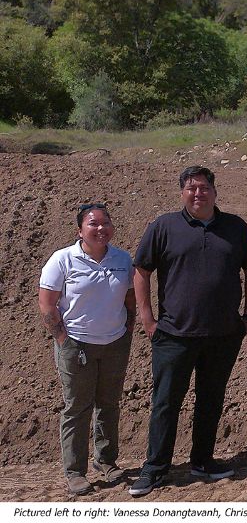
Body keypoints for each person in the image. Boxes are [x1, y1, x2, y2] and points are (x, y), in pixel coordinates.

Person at [130, 166, 247, 497]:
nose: (198, 193)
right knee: (165, 402)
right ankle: (155, 468)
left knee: (211, 399)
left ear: (215, 191)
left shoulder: (235, 227)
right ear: (182, 193)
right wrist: (147, 319)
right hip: (174, 335)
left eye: (204, 187)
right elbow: (141, 271)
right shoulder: (164, 227)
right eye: (191, 188)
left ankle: (203, 460)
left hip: (223, 334)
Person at [39, 204, 135, 495]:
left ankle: (106, 461)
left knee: (109, 404)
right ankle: (75, 471)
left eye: (106, 222)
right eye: (93, 224)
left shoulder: (122, 259)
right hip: (76, 344)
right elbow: (47, 304)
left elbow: (130, 300)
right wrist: (63, 340)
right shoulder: (62, 260)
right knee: (77, 407)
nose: (100, 228)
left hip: (114, 343)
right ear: (80, 230)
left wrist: (126, 333)